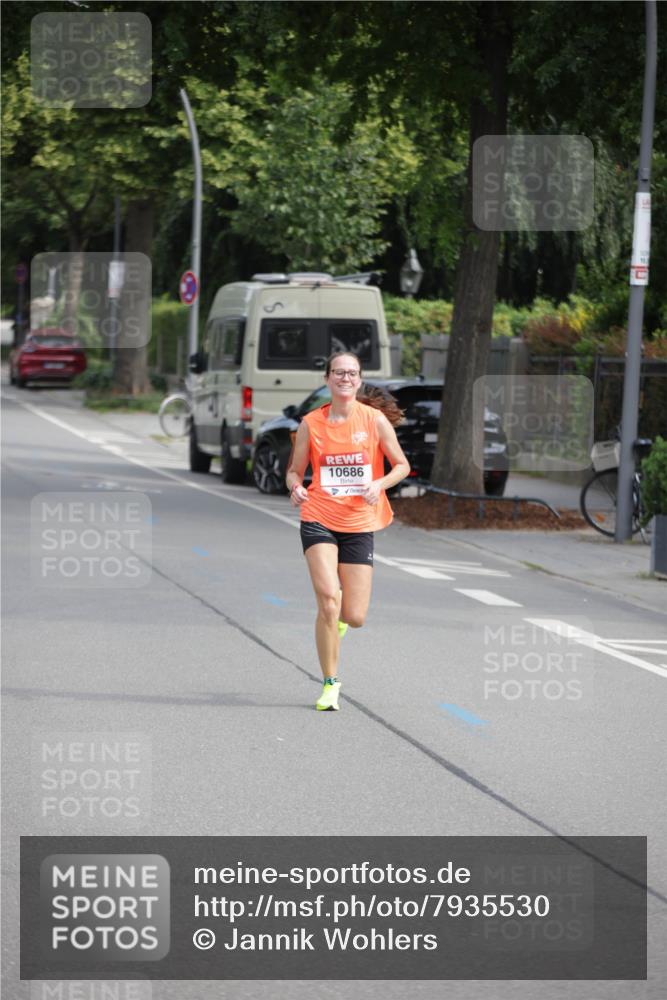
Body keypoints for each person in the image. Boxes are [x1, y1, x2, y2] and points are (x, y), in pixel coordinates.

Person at [286, 352, 411, 711]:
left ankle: (338, 623)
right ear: (327, 379)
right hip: (319, 516)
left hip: (358, 522)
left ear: (359, 380)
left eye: (352, 373)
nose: (345, 378)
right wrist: (296, 488)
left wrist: (380, 484)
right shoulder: (312, 423)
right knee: (328, 599)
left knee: (353, 616)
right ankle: (330, 683)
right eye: (338, 372)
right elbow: (294, 471)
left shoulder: (372, 421)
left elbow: (402, 465)